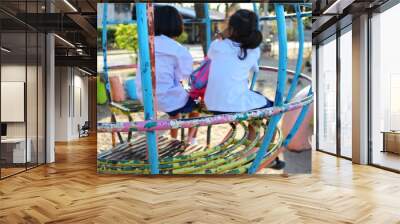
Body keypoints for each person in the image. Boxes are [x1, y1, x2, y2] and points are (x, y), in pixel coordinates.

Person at [204, 9, 273, 140]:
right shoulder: (253, 50)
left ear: (230, 28)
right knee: (272, 108)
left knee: (253, 106)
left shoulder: (217, 45)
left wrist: (221, 37)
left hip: (212, 102)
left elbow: (210, 56)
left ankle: (250, 142)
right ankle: (258, 150)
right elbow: (255, 69)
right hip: (234, 103)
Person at [135, 5, 198, 143]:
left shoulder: (145, 45)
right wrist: (193, 93)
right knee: (197, 101)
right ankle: (191, 139)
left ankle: (173, 137)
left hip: (145, 98)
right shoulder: (179, 50)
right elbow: (186, 80)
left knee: (174, 104)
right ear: (177, 24)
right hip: (169, 100)